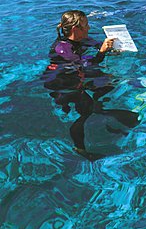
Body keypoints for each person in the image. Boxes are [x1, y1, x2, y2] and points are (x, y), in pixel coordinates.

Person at [43, 10, 138, 155]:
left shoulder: (82, 39)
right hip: (62, 83)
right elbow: (84, 64)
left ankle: (100, 113)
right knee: (84, 113)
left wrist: (112, 48)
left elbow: (97, 46)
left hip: (77, 75)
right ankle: (80, 148)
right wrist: (101, 53)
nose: (89, 27)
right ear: (75, 29)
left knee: (108, 84)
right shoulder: (62, 48)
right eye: (86, 25)